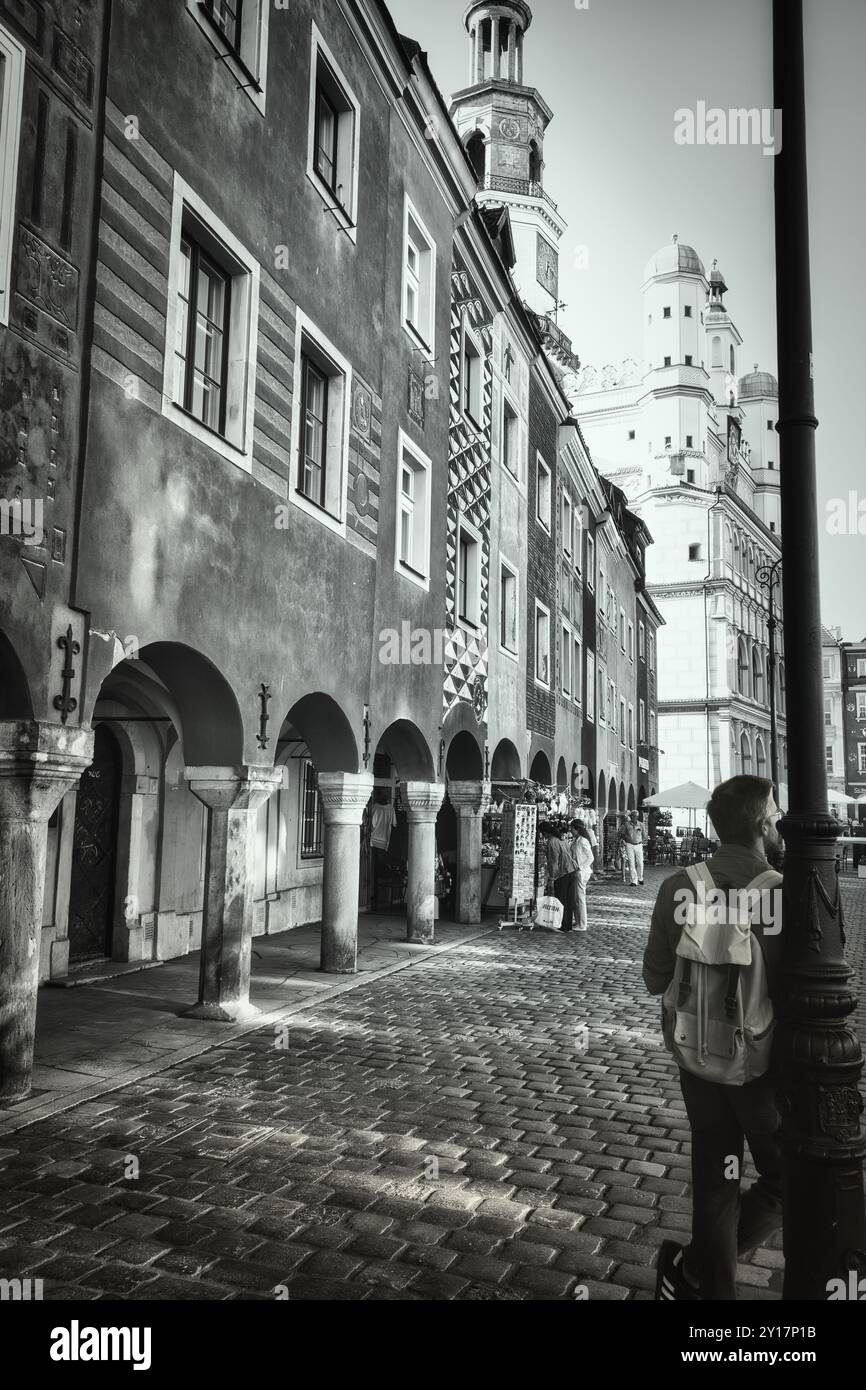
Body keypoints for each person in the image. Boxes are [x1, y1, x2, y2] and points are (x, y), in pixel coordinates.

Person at [642, 775, 785, 1301]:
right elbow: (797, 993)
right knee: (785, 1177)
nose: (779, 819)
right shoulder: (779, 891)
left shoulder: (680, 886)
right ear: (762, 823)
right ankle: (699, 1268)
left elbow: (655, 978)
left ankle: (711, 1297)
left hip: (697, 1055)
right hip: (760, 1066)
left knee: (715, 1179)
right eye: (774, 811)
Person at [542, 822, 579, 932]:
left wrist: (552, 878)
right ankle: (568, 925)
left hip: (562, 873)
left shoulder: (552, 842)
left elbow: (554, 861)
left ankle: (562, 925)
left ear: (545, 833)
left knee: (561, 900)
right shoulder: (562, 840)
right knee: (569, 899)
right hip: (571, 871)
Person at [569, 819, 595, 932]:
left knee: (580, 899)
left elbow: (591, 857)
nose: (570, 830)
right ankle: (578, 921)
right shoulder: (577, 840)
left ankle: (582, 924)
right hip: (577, 871)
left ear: (577, 829)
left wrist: (581, 867)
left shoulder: (583, 841)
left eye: (572, 828)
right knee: (576, 898)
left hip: (581, 872)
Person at [621, 811, 645, 886]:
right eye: (633, 816)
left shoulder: (641, 825)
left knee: (640, 862)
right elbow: (623, 834)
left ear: (637, 816)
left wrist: (640, 841)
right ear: (631, 816)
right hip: (629, 845)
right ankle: (634, 881)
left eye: (635, 816)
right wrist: (625, 841)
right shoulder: (626, 824)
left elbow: (644, 835)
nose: (634, 817)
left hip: (638, 845)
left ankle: (640, 878)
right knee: (631, 863)